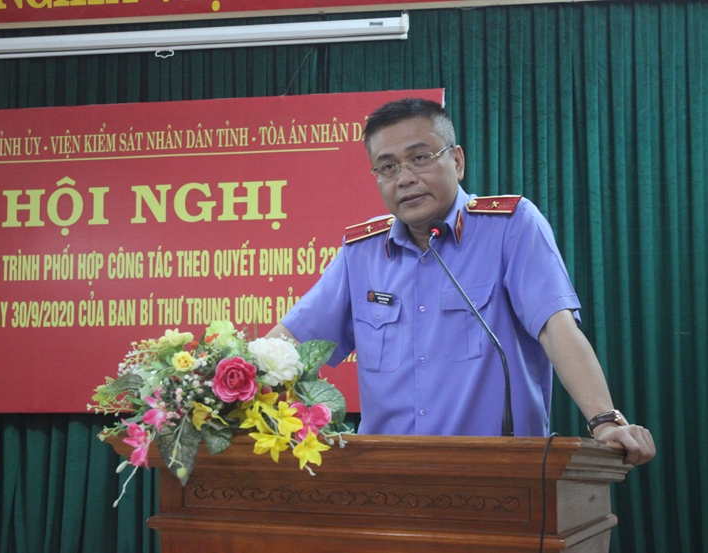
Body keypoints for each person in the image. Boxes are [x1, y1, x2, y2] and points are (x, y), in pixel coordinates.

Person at [268, 98, 655, 466]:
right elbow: (289, 344)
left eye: (420, 158)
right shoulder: (362, 253)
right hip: (386, 478)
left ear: (456, 160)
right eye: (387, 167)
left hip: (499, 474)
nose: (405, 178)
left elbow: (557, 330)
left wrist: (604, 421)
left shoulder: (510, 227)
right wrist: (233, 388)